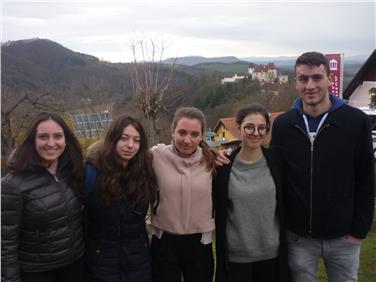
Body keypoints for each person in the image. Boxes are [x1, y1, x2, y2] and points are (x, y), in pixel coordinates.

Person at [271, 51, 375, 282]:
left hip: (344, 238)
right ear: (296, 82)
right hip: (298, 237)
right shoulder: (283, 125)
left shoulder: (355, 122)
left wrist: (359, 230)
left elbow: (366, 177)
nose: (310, 85)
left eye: (317, 77)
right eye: (303, 79)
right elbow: (273, 172)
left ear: (329, 79)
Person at [1, 112, 85, 282]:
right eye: (43, 137)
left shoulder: (72, 171)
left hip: (75, 265)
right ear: (33, 141)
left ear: (66, 140)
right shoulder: (13, 184)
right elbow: (6, 244)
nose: (51, 143)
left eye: (58, 136)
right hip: (38, 272)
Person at [213, 103, 288, 282]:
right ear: (238, 128)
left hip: (272, 256)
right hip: (237, 259)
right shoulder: (223, 166)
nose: (256, 133)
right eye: (249, 127)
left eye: (262, 128)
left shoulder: (277, 161)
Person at [84, 115, 157, 282]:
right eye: (124, 138)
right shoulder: (92, 171)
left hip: (138, 263)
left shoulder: (145, 170)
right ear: (113, 139)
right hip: (101, 264)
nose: (130, 145)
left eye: (136, 140)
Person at [150, 106, 217, 282]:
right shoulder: (155, 156)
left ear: (202, 135)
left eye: (194, 134)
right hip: (164, 241)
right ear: (173, 132)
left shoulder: (211, 161)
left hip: (200, 243)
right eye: (182, 132)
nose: (187, 140)